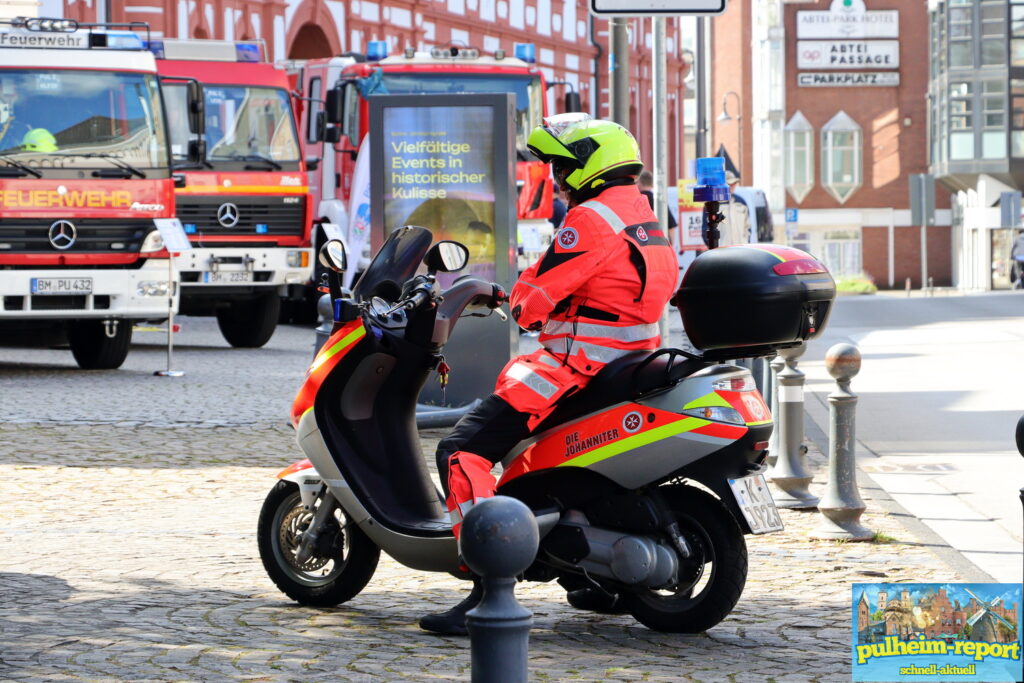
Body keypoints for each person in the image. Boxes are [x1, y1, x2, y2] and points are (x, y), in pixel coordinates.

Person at [419, 113, 679, 635]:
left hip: (571, 371)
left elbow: (532, 306)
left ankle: (484, 587)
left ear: (589, 167)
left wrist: (519, 296)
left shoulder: (591, 219)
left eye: (563, 168)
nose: (558, 180)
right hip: (626, 368)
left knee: (461, 451)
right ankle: (591, 580)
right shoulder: (643, 215)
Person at [637, 170, 677, 249]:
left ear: (639, 182)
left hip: (641, 246)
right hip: (660, 245)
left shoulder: (636, 201)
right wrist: (670, 246)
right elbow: (671, 226)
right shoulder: (660, 201)